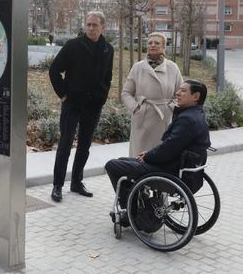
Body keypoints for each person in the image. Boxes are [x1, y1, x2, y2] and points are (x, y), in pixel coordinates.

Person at [105, 79, 211, 212]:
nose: (177, 93)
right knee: (122, 162)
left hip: (169, 171)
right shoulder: (197, 115)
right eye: (178, 90)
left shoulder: (187, 120)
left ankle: (130, 211)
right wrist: (149, 154)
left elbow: (169, 149)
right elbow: (171, 146)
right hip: (183, 168)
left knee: (113, 165)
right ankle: (135, 205)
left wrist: (148, 156)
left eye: (183, 91)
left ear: (196, 96)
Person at [48, 11, 114, 202]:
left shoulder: (108, 49)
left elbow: (107, 77)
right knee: (65, 144)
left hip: (93, 105)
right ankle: (57, 185)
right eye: (88, 24)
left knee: (84, 145)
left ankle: (76, 182)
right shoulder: (73, 46)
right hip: (73, 104)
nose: (91, 28)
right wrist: (64, 94)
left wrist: (102, 97)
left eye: (95, 25)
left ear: (103, 27)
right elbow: (54, 70)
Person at [122, 32, 183, 157]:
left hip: (164, 118)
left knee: (161, 153)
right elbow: (126, 93)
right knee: (139, 155)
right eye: (150, 43)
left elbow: (181, 93)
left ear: (163, 46)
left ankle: (160, 177)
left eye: (157, 43)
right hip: (143, 117)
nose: (153, 45)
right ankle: (140, 177)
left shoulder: (172, 68)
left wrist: (171, 107)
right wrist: (135, 107)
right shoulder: (137, 68)